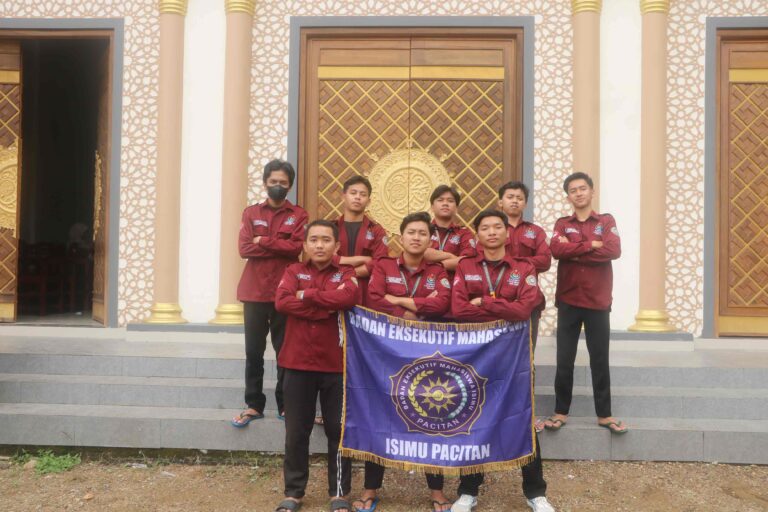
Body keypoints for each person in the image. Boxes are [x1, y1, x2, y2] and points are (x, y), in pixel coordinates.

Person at [451, 209, 556, 512]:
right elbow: (459, 309)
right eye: (485, 228)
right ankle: (468, 491)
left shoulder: (524, 268)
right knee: (472, 419)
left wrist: (484, 301)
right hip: (476, 359)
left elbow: (524, 310)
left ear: (507, 233)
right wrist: (504, 306)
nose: (492, 232)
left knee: (522, 419)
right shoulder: (466, 266)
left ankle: (535, 493)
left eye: (498, 226)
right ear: (477, 235)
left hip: (515, 360)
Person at [360, 211, 453, 512]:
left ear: (430, 240)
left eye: (423, 233)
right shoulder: (384, 266)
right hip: (386, 354)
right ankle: (370, 488)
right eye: (411, 232)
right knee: (381, 416)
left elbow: (443, 303)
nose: (416, 237)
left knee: (431, 416)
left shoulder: (438, 271)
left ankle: (437, 491)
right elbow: (374, 298)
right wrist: (409, 313)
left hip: (426, 356)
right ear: (401, 237)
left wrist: (399, 301)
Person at [273, 219, 358, 512]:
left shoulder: (346, 273)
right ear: (305, 244)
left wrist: (307, 296)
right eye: (314, 240)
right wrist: (325, 307)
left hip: (336, 364)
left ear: (337, 245)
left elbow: (348, 297)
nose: (319, 245)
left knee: (338, 430)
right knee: (297, 431)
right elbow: (282, 302)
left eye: (326, 240)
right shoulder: (293, 271)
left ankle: (339, 493)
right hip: (296, 362)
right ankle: (294, 492)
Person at [544, 172, 628, 435]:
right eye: (573, 190)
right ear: (568, 196)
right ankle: (560, 411)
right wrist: (591, 245)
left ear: (592, 192)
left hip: (597, 300)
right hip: (568, 299)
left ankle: (604, 414)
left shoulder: (606, 221)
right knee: (564, 359)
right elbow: (556, 250)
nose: (578, 193)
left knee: (599, 359)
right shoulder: (562, 223)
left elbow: (613, 250)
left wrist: (574, 249)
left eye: (582, 188)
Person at [232, 160, 308, 427]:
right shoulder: (251, 212)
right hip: (253, 291)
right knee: (253, 351)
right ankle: (254, 404)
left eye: (283, 183)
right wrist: (279, 245)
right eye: (273, 181)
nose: (278, 186)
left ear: (290, 186)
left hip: (285, 293)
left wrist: (263, 240)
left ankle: (286, 404)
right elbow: (244, 249)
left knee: (285, 351)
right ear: (265, 183)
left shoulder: (299, 215)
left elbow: (296, 248)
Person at [497, 181, 551, 350]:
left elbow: (545, 260)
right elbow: (482, 259)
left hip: (529, 299)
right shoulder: (491, 229)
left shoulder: (535, 231)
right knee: (497, 354)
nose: (515, 201)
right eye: (510, 197)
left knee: (527, 354)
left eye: (519, 198)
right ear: (500, 202)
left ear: (525, 204)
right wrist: (527, 262)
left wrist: (512, 262)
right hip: (497, 299)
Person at [334, 175, 390, 303]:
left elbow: (380, 262)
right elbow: (324, 258)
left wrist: (349, 273)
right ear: (343, 197)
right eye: (353, 193)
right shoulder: (331, 228)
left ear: (368, 201)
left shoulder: (377, 230)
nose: (357, 197)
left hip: (365, 290)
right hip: (334, 286)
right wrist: (364, 260)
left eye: (363, 194)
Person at [424, 185, 476, 273]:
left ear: (456, 209)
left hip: (454, 281)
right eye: (440, 200)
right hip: (425, 280)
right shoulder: (423, 230)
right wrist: (451, 257)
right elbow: (423, 253)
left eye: (450, 201)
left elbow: (467, 262)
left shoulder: (464, 233)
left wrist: (435, 265)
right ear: (432, 207)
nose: (445, 203)